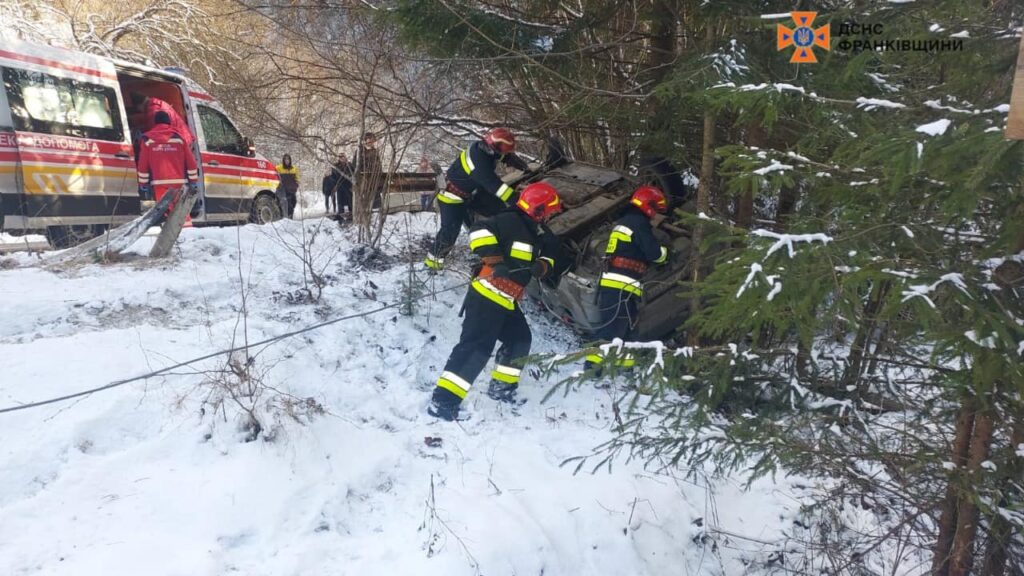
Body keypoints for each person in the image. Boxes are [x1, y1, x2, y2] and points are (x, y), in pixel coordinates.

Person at [428, 182, 564, 422]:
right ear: (539, 209)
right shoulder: (510, 220)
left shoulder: (535, 232)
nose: (552, 215)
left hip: (507, 299)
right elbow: (478, 230)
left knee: (519, 340)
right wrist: (494, 260)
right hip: (487, 294)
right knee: (475, 348)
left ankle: (501, 389)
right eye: (550, 210)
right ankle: (443, 401)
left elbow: (549, 257)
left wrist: (542, 265)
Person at [585, 186, 670, 371]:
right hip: (620, 286)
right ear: (648, 206)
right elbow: (654, 253)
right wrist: (666, 253)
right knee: (610, 330)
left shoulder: (626, 221)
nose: (655, 215)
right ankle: (591, 368)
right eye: (655, 210)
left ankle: (624, 369)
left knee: (627, 331)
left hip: (621, 286)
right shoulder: (638, 223)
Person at [424, 128, 531, 271]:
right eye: (503, 151)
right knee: (449, 232)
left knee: (491, 214)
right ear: (494, 148)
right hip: (451, 197)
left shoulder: (485, 148)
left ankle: (488, 249)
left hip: (469, 194)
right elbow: (497, 188)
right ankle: (432, 265)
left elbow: (505, 157)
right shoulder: (478, 163)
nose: (504, 155)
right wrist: (520, 203)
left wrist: (524, 167)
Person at [136, 111, 199, 218]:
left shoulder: (147, 139)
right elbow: (191, 162)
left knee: (164, 215)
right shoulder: (179, 138)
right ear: (169, 122)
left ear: (155, 123)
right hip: (179, 184)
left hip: (158, 184)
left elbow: (143, 165)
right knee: (181, 216)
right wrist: (193, 181)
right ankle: (186, 233)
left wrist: (143, 184)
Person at [352, 132, 384, 212]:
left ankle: (376, 212)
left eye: (373, 140)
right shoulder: (360, 151)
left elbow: (378, 164)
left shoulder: (375, 151)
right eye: (370, 140)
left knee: (376, 198)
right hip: (364, 180)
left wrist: (380, 174)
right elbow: (355, 165)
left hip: (375, 179)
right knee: (366, 199)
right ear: (366, 140)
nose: (372, 142)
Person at [322, 152, 353, 217]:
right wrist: (335, 184)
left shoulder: (349, 165)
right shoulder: (335, 166)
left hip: (348, 185)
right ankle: (340, 213)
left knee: (349, 199)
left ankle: (351, 212)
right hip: (340, 185)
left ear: (345, 157)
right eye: (340, 157)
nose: (341, 158)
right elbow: (333, 176)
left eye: (343, 157)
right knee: (340, 200)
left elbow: (353, 173)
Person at [275, 154, 300, 219]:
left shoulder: (294, 168)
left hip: (293, 189)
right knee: (289, 204)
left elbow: (297, 178)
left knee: (294, 202)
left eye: (288, 159)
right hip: (285, 189)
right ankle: (290, 217)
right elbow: (274, 173)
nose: (287, 160)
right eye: (285, 159)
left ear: (290, 160)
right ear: (283, 160)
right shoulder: (279, 168)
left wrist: (297, 184)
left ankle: (290, 215)